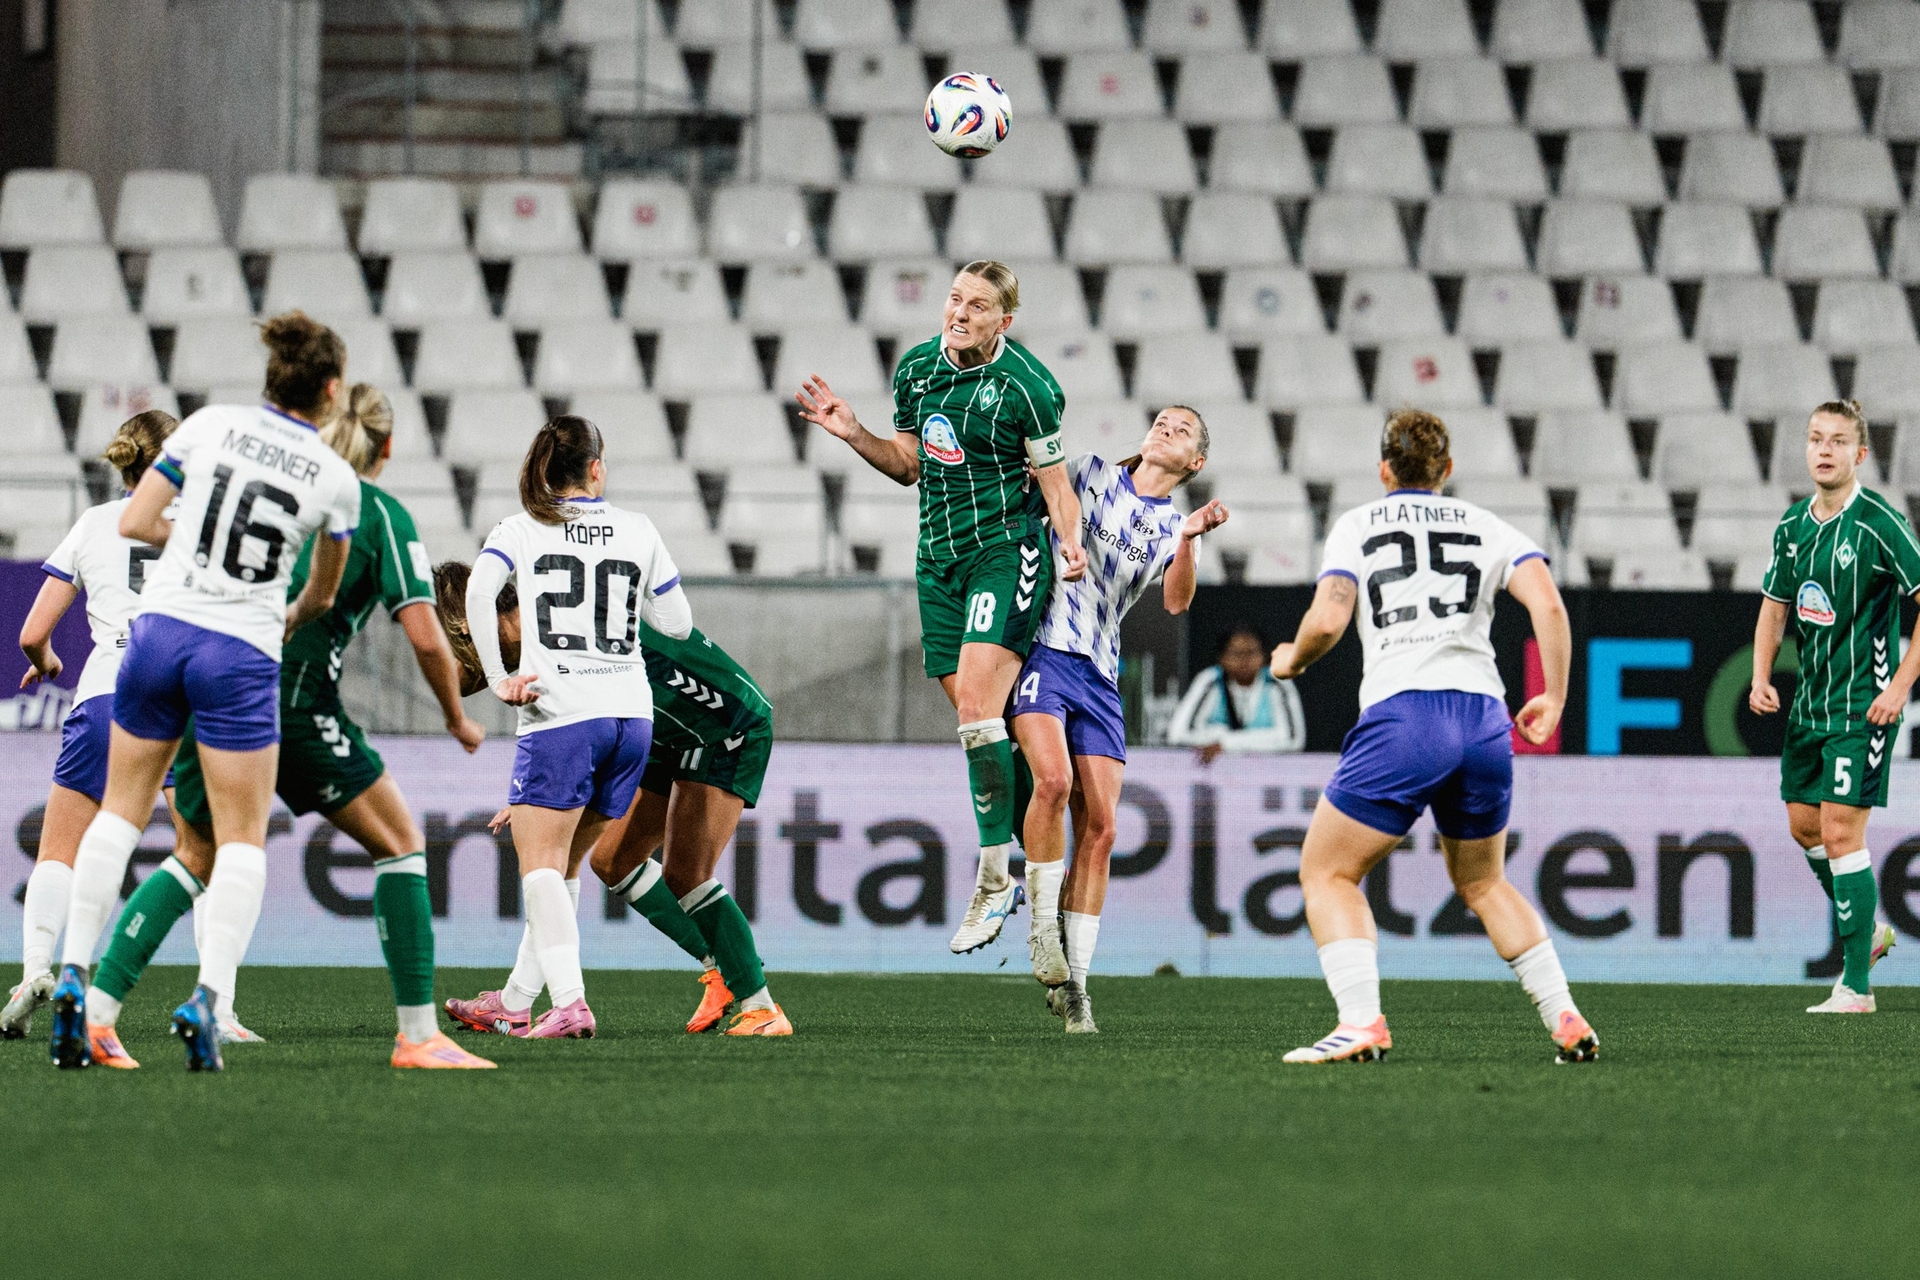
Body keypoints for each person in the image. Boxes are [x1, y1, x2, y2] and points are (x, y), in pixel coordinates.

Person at [81, 384, 495, 1069]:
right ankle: (418, 1036)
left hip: (207, 677)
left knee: (194, 855)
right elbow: (426, 637)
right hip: (290, 701)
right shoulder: (376, 511)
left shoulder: (281, 483)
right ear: (386, 448)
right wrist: (457, 717)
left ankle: (101, 1013)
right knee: (401, 843)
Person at [48, 312, 363, 1072]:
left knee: (120, 814)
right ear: (327, 391)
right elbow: (326, 586)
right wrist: (299, 609)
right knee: (239, 836)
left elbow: (133, 519)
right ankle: (206, 1001)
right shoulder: (332, 475)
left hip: (156, 635)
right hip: (239, 648)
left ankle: (73, 978)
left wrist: (190, 540)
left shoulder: (208, 427)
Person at [1268, 409, 1596, 1065]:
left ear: (1384, 468)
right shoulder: (1486, 524)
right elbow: (1550, 605)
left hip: (1406, 715)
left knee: (1327, 871)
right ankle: (1564, 1013)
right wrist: (1554, 695)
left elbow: (1330, 618)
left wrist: (1292, 660)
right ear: (1446, 470)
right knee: (1483, 882)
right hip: (1483, 718)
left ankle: (1361, 1022)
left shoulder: (1358, 524)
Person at [796, 261, 1088, 958]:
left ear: (1003, 322)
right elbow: (907, 465)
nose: (958, 313)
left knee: (975, 712)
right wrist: (852, 431)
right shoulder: (918, 369)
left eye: (977, 305)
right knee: (990, 727)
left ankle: (996, 877)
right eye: (954, 298)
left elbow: (1055, 483)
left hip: (1005, 550)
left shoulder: (1031, 387)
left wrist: (1070, 543)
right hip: (937, 565)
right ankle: (1042, 856)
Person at [433, 562, 789, 1037]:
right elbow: (465, 681)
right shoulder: (533, 628)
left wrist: (542, 796)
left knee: (686, 873)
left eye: (461, 638)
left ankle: (762, 1007)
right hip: (664, 732)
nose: (465, 654)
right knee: (612, 860)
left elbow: (586, 717)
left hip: (726, 727)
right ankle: (718, 965)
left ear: (475, 620)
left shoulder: (551, 636)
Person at [462, 415, 693, 1039]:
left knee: (537, 865)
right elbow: (676, 621)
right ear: (597, 468)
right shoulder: (639, 529)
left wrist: (494, 677)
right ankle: (513, 1001)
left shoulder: (522, 527)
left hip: (560, 712)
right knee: (560, 872)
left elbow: (479, 595)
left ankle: (570, 1002)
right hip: (632, 716)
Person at [1011, 407, 1227, 1033]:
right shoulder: (1090, 473)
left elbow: (1178, 601)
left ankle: (1075, 983)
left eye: (1183, 430)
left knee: (1102, 827)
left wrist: (1188, 538)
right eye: (1162, 420)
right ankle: (1040, 931)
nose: (1166, 428)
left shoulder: (1168, 523)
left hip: (1099, 672)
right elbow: (1037, 499)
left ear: (1196, 463)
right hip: (1048, 650)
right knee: (1052, 783)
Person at [2, 412, 188, 1044]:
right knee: (205, 854)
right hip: (177, 698)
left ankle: (35, 972)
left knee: (60, 850)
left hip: (104, 693)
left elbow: (31, 634)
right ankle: (216, 1002)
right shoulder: (194, 527)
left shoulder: (92, 523)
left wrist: (47, 662)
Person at [1749, 399, 1912, 1014]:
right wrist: (1762, 674)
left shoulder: (1879, 524)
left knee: (1843, 832)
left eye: (1838, 441)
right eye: (1816, 438)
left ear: (1859, 454)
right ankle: (1866, 935)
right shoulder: (1792, 526)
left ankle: (1857, 987)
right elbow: (1775, 605)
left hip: (1862, 708)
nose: (1824, 449)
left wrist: (1898, 688)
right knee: (1804, 826)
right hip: (1808, 708)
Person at [1166, 624, 1306, 761]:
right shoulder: (1210, 681)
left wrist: (1226, 743)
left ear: (1264, 657)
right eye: (1237, 653)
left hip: (1267, 773)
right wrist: (1260, 739)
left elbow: (1294, 740)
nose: (1244, 660)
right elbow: (1177, 734)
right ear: (1222, 658)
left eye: (1251, 653)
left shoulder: (1278, 682)